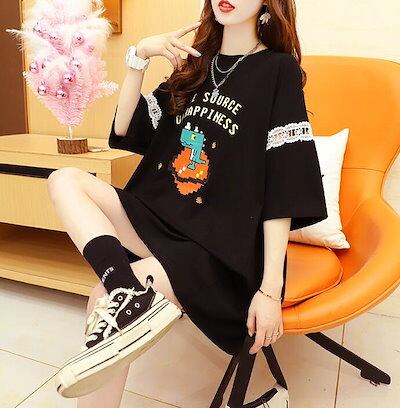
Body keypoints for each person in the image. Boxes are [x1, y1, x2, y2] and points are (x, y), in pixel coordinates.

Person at [49, 0, 328, 405]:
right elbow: (126, 129)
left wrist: (270, 291)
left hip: (218, 248)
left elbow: (283, 184)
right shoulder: (196, 65)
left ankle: (123, 302)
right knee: (65, 179)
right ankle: (128, 293)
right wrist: (138, 59)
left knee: (101, 302)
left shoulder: (277, 69)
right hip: (161, 218)